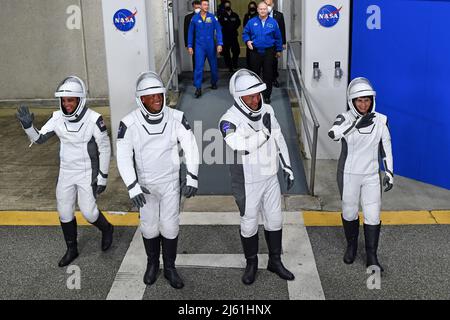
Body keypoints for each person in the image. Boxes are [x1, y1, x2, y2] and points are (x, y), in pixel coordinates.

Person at [16, 76, 113, 267]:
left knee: (89, 213)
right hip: (66, 172)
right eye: (64, 100)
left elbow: (105, 148)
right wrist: (28, 126)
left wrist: (103, 176)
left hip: (87, 173)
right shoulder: (57, 117)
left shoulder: (94, 119)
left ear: (80, 99)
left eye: (71, 100)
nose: (67, 104)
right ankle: (72, 248)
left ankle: (107, 228)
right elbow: (39, 139)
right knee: (64, 211)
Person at [116, 71, 200, 289]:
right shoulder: (129, 123)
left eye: (159, 95)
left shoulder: (177, 117)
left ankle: (170, 267)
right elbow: (123, 156)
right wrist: (132, 186)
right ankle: (152, 263)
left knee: (170, 226)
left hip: (171, 183)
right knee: (149, 227)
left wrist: (192, 176)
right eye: (151, 96)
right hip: (145, 186)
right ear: (141, 99)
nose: (157, 100)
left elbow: (190, 146)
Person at [218, 69, 295, 285]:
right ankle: (251, 263)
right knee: (249, 223)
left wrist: (287, 167)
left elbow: (279, 139)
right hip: (247, 180)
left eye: (257, 95)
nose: (255, 100)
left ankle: (275, 261)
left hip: (270, 176)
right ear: (239, 98)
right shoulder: (228, 120)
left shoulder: (268, 110)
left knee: (275, 220)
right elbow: (239, 146)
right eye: (249, 96)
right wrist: (264, 134)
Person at [328, 77, 393, 273]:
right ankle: (352, 246)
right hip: (348, 175)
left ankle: (372, 254)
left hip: (371, 175)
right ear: (352, 101)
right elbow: (333, 134)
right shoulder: (344, 117)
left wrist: (389, 172)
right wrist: (356, 124)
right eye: (359, 100)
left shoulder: (382, 120)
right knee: (349, 212)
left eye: (367, 100)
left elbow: (387, 148)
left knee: (373, 215)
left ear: (372, 100)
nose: (364, 104)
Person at [242, 1, 282, 104]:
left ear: (267, 10)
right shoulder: (251, 22)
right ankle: (255, 95)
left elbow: (278, 37)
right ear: (257, 10)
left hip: (269, 52)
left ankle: (267, 96)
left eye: (264, 9)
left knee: (268, 75)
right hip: (255, 52)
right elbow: (245, 33)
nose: (263, 11)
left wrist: (278, 50)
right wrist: (247, 41)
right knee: (255, 75)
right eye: (260, 9)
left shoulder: (273, 22)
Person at [188, 0, 223, 98]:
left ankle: (214, 82)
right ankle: (198, 88)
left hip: (210, 45)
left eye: (207, 5)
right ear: (200, 6)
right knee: (198, 67)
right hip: (199, 46)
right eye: (204, 4)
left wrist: (220, 44)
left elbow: (219, 30)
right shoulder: (194, 18)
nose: (206, 6)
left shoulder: (212, 18)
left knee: (214, 66)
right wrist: (190, 46)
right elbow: (190, 33)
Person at [264, 0, 286, 88]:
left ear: (272, 5)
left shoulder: (279, 15)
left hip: (274, 42)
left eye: (269, 4)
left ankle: (274, 78)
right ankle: (265, 79)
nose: (267, 6)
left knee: (274, 61)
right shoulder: (260, 14)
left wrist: (283, 42)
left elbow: (282, 29)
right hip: (263, 42)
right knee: (264, 62)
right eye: (266, 4)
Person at [218, 1, 241, 73]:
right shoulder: (222, 15)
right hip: (225, 36)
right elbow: (220, 24)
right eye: (226, 5)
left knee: (236, 51)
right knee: (226, 52)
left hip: (234, 35)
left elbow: (238, 23)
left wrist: (232, 27)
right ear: (224, 6)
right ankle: (229, 66)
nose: (227, 6)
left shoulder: (235, 15)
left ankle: (234, 63)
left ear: (230, 5)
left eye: (228, 5)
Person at [184, 1, 202, 72]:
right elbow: (186, 31)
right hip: (194, 42)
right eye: (196, 7)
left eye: (198, 6)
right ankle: (196, 75)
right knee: (195, 59)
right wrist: (187, 44)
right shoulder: (188, 17)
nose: (197, 8)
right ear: (193, 7)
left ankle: (200, 73)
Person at [243, 2, 258, 68]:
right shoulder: (247, 16)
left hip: (257, 37)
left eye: (253, 7)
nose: (252, 8)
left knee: (256, 54)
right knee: (249, 53)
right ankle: (249, 67)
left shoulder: (258, 15)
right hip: (249, 37)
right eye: (250, 7)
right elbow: (244, 26)